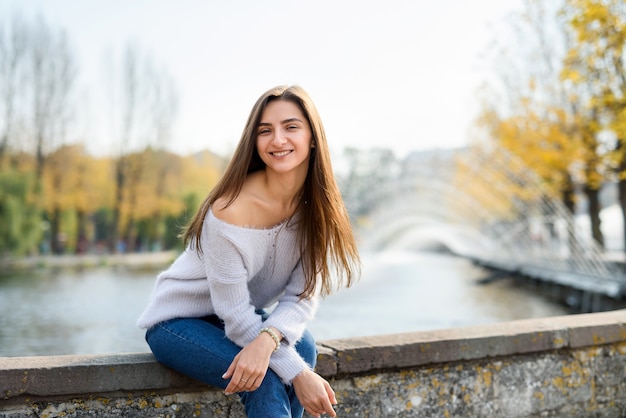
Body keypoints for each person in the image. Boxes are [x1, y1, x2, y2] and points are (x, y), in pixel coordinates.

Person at [137, 85, 360, 418]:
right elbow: (237, 315)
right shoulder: (231, 211)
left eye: (291, 127)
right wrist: (298, 373)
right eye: (265, 131)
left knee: (305, 345)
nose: (278, 140)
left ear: (313, 136)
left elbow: (301, 297)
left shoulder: (319, 209)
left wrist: (269, 340)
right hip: (177, 322)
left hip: (232, 319)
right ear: (254, 142)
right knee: (266, 378)